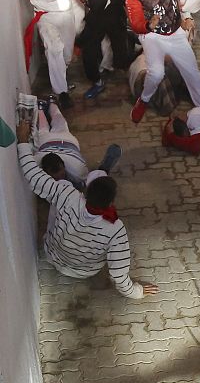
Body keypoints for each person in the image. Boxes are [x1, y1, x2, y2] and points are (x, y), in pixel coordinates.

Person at [17, 120, 158, 299]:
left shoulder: (67, 194)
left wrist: (22, 141)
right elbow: (119, 275)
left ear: (85, 192)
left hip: (53, 257)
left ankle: (99, 173)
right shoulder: (116, 229)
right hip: (85, 271)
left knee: (59, 192)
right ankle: (101, 172)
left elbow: (32, 174)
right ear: (111, 202)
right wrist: (137, 292)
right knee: (91, 178)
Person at [16, 0, 89, 109]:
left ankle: (62, 75)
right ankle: (62, 92)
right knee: (54, 48)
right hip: (44, 15)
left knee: (66, 56)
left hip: (64, 13)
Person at [65, 0, 132, 99]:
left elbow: (90, 26)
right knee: (89, 49)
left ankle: (125, 63)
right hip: (96, 16)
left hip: (113, 14)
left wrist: (76, 47)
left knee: (119, 47)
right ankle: (97, 81)